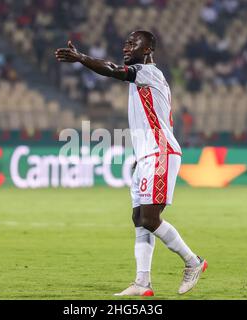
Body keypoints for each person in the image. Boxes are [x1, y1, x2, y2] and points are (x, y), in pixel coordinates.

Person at [55, 30, 207, 296]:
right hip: (146, 155)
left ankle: (193, 262)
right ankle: (142, 283)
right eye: (125, 41)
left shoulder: (149, 73)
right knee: (139, 217)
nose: (126, 45)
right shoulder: (141, 77)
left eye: (133, 43)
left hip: (161, 152)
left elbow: (113, 70)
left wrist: (80, 57)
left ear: (147, 50)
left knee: (150, 218)